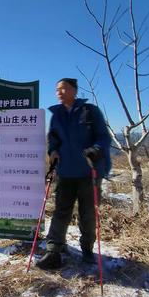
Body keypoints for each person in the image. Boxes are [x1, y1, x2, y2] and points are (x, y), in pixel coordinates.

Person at [36, 78, 111, 270]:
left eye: (63, 89)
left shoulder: (90, 112)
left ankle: (87, 250)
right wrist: (52, 151)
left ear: (74, 90)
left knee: (87, 214)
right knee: (61, 211)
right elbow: (53, 138)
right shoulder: (57, 115)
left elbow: (103, 137)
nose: (59, 92)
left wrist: (96, 149)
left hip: (89, 171)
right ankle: (53, 250)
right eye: (56, 89)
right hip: (65, 172)